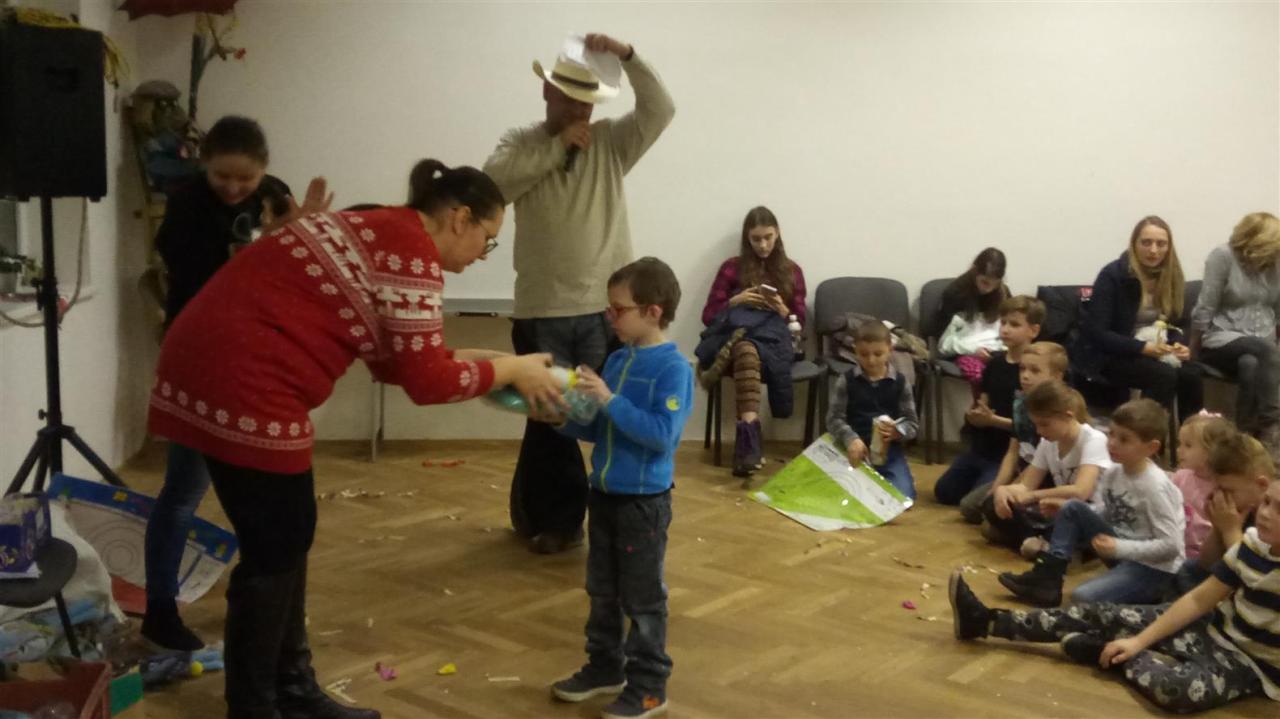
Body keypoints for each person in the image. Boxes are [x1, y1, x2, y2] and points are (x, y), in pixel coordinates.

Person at [148, 160, 564, 719]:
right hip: (244, 378)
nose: (482, 255)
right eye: (487, 240)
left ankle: (292, 690)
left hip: (215, 363)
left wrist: (504, 365)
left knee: (284, 537)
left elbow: (399, 362)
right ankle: (257, 706)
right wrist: (510, 371)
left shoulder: (389, 230)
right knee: (277, 543)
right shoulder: (410, 253)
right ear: (460, 218)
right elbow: (426, 382)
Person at [483, 32, 675, 554]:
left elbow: (661, 109)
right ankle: (558, 522)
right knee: (548, 419)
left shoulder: (611, 142)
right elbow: (493, 185)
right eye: (571, 98)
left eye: (589, 101)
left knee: (599, 414)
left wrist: (630, 56)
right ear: (548, 93)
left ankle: (585, 514)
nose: (582, 111)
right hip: (542, 308)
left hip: (605, 312)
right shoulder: (521, 142)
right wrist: (556, 148)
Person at [143, 116, 316, 651]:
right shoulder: (186, 204)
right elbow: (209, 282)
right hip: (202, 361)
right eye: (223, 176)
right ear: (204, 165)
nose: (235, 188)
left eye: (246, 178)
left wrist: (304, 236)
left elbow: (296, 275)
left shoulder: (275, 196)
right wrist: (272, 247)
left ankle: (266, 609)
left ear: (263, 170)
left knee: (264, 500)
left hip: (259, 361)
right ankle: (159, 611)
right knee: (184, 491)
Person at [948, 474, 1280, 714]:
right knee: (1099, 613)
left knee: (1175, 690)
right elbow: (1199, 599)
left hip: (1249, 666)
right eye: (1266, 502)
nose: (1265, 513)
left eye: (1279, 509)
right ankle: (987, 622)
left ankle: (1102, 652)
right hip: (1210, 627)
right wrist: (1138, 640)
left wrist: (1134, 650)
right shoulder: (1251, 545)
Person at [548, 257, 692, 719]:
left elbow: (661, 435)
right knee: (602, 590)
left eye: (618, 309)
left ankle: (650, 687)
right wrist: (561, 417)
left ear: (653, 311)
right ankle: (605, 668)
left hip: (643, 504)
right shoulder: (616, 359)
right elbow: (600, 428)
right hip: (605, 494)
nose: (610, 317)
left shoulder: (674, 369)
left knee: (643, 600)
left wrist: (609, 400)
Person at [998, 399, 1185, 606]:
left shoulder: (1154, 486)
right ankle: (1047, 579)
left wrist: (1119, 548)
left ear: (1151, 447)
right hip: (1124, 552)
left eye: (1124, 439)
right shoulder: (1114, 472)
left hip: (1155, 569)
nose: (1112, 443)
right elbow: (1107, 512)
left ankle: (1155, 598)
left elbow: (1171, 546)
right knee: (1072, 507)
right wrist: (1072, 510)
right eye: (1111, 434)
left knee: (1083, 597)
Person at [698, 206, 807, 479]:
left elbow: (800, 323)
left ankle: (747, 446)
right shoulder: (731, 268)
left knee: (747, 348)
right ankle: (749, 442)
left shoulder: (792, 271)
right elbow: (708, 316)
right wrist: (735, 301)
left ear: (777, 234)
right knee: (745, 347)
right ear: (747, 238)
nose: (763, 245)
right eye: (756, 239)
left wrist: (782, 308)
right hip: (736, 340)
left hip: (775, 342)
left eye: (768, 237)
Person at [1076, 215, 1203, 423]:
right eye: (1146, 242)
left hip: (1154, 349)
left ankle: (1192, 436)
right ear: (1134, 244)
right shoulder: (1112, 275)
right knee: (1163, 375)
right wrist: (1142, 348)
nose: (1153, 250)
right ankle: (1146, 438)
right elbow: (1098, 333)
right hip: (1110, 354)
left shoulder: (1172, 275)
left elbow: (1178, 322)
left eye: (1161, 244)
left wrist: (1179, 345)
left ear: (1169, 247)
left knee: (1192, 374)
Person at [934, 296, 1043, 511]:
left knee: (979, 505)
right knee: (944, 492)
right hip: (982, 448)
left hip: (1009, 453)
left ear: (1034, 330)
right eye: (1003, 323)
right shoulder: (995, 363)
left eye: (1014, 325)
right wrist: (976, 415)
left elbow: (1031, 427)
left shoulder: (1034, 371)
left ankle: (1007, 483)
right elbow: (983, 402)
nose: (1006, 329)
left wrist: (993, 420)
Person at [983, 379, 1111, 556]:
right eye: (1036, 424)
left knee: (1068, 517)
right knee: (991, 504)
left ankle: (1037, 542)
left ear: (1068, 416)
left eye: (1044, 424)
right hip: (1060, 509)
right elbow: (1026, 486)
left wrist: (1034, 496)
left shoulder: (1094, 439)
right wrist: (1003, 491)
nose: (1039, 431)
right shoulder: (1048, 442)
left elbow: (1081, 491)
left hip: (1092, 513)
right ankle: (1034, 541)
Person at [1191, 212, 1280, 456]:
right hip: (1222, 338)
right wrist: (1193, 348)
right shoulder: (1223, 256)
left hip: (1263, 345)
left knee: (1251, 363)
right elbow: (1206, 305)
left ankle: (1243, 438)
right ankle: (1273, 423)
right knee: (1263, 349)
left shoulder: (1275, 262)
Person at [1172, 428, 1274, 596]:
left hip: (1259, 589)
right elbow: (1206, 564)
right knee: (1186, 569)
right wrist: (1218, 527)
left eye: (1228, 491)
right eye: (1217, 489)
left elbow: (1251, 573)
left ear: (1261, 485)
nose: (1220, 496)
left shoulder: (1271, 518)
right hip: (1228, 576)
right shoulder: (1243, 507)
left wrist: (1230, 530)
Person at [825, 321, 920, 500]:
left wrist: (898, 432)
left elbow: (912, 423)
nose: (871, 360)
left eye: (878, 354)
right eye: (864, 354)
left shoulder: (901, 382)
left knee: (903, 496)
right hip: (852, 448)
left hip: (887, 451)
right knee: (833, 494)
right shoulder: (846, 380)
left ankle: (889, 477)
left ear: (890, 350)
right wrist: (851, 439)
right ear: (855, 351)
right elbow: (834, 418)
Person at [935, 248, 1010, 391]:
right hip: (964, 350)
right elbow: (944, 341)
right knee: (989, 376)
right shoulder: (955, 294)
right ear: (975, 271)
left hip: (995, 350)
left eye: (995, 284)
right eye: (985, 282)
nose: (989, 289)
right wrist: (973, 350)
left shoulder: (1003, 293)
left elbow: (1008, 329)